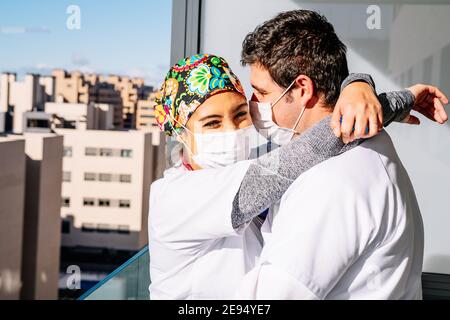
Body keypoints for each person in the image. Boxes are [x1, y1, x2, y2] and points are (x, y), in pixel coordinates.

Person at [148, 53, 447, 299]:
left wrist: (358, 86)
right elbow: (302, 154)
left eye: (240, 114)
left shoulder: (249, 163)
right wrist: (387, 102)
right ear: (179, 133)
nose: (231, 130)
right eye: (212, 123)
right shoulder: (173, 197)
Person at [234, 9, 449, 300]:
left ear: (301, 89)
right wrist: (370, 88)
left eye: (261, 92)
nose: (252, 104)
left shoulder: (331, 182)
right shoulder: (368, 145)